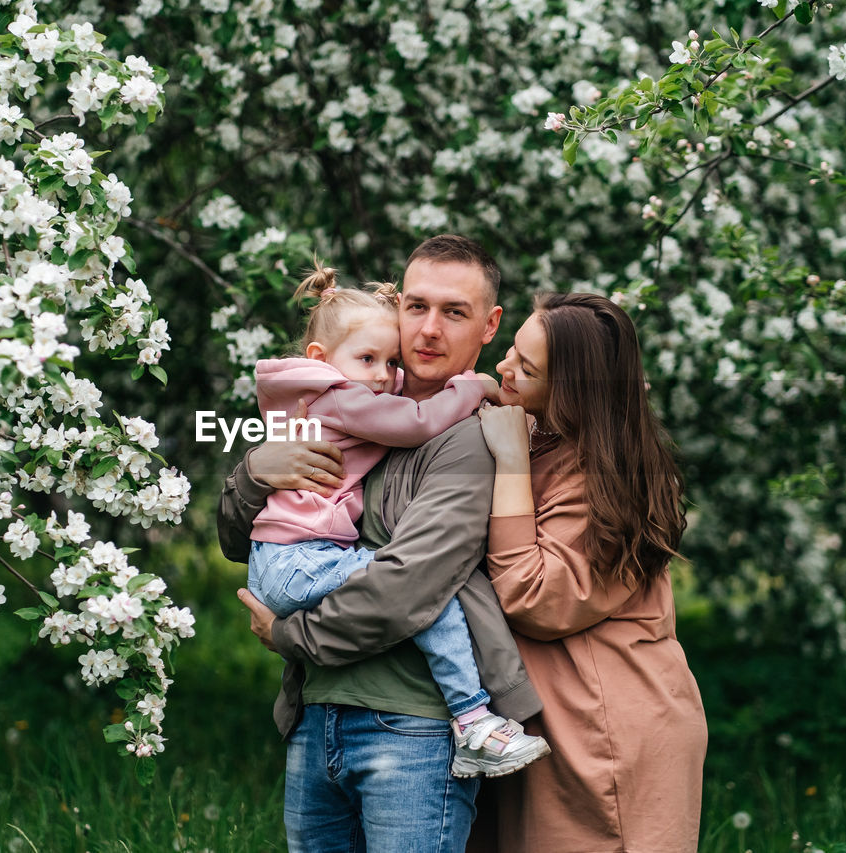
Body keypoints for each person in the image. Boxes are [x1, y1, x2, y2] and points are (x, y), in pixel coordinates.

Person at [219, 235, 543, 853]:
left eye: (454, 313)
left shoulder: (468, 439)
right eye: (415, 306)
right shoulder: (357, 407)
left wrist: (289, 636)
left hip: (409, 728)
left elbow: (404, 588)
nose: (427, 329)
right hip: (317, 715)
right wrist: (257, 471)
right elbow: (241, 540)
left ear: (489, 326)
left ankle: (478, 721)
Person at [470, 292, 707, 852]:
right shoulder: (540, 436)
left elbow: (533, 597)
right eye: (512, 352)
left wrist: (509, 463)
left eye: (526, 370)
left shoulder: (602, 479)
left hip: (606, 733)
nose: (503, 368)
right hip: (561, 722)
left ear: (570, 394)